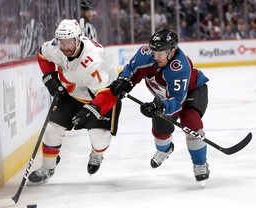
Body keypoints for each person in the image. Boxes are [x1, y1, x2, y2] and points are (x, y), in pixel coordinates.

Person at [110, 28, 210, 183]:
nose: (156, 56)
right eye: (154, 52)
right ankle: (165, 149)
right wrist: (123, 81)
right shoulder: (146, 54)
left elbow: (177, 101)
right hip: (165, 97)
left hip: (192, 91)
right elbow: (131, 70)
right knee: (160, 128)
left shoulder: (180, 67)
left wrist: (160, 106)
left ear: (172, 51)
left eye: (160, 53)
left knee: (191, 122)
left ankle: (200, 164)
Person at [27, 19, 121, 185]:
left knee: (99, 136)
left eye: (69, 42)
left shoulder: (94, 60)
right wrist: (49, 76)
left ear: (78, 39)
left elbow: (108, 93)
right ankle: (48, 168)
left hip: (103, 97)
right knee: (52, 128)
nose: (65, 47)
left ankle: (97, 154)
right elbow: (42, 54)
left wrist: (92, 109)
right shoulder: (57, 48)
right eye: (62, 42)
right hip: (72, 95)